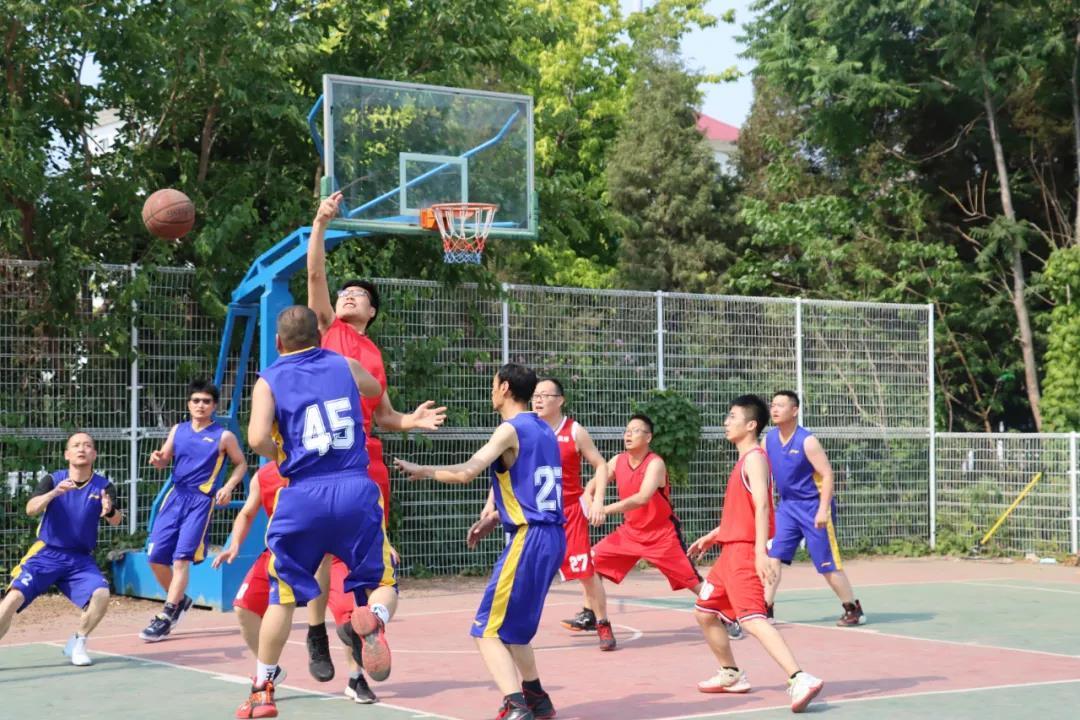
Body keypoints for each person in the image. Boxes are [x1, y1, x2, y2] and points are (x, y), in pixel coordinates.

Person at [304, 190, 446, 682]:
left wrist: (411, 420)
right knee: (320, 549)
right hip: (322, 452)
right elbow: (315, 277)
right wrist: (320, 223)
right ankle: (316, 631)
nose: (347, 295)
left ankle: (360, 635)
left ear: (372, 312)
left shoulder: (373, 355)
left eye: (358, 295)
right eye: (344, 291)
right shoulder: (328, 330)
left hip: (366, 459)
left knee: (367, 559)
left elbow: (384, 415)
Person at [236, 305, 397, 719]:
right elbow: (373, 389)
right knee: (382, 581)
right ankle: (375, 618)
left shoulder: (269, 379)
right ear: (318, 338)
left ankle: (262, 689)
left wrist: (283, 454)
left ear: (278, 342)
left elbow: (255, 438)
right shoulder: (344, 363)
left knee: (282, 597)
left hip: (303, 494)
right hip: (355, 488)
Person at [395, 363, 564, 720]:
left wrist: (424, 470)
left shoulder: (510, 429)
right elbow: (532, 487)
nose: (491, 391)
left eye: (493, 385)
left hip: (529, 538)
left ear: (504, 388)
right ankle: (537, 698)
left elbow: (468, 472)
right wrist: (498, 515)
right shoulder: (545, 430)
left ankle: (516, 706)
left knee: (486, 629)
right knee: (515, 629)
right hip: (551, 536)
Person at [688, 395, 823, 713]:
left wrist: (761, 552)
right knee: (705, 612)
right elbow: (744, 512)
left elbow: (763, 506)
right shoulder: (744, 460)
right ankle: (730, 673)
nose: (726, 422)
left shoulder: (754, 458)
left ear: (750, 425)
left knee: (752, 619)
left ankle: (799, 677)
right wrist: (713, 535)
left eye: (732, 416)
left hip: (745, 553)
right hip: (729, 553)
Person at [214, 461, 377, 704]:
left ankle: (356, 678)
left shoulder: (323, 464)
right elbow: (247, 513)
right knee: (244, 607)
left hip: (331, 552)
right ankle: (269, 670)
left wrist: (380, 542)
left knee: (348, 615)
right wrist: (235, 543)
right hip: (283, 552)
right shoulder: (264, 476)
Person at [583, 414, 716, 651]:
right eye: (627, 430)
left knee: (693, 583)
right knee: (589, 563)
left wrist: (604, 509)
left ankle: (726, 615)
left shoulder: (655, 464)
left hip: (661, 535)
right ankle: (598, 620)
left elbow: (642, 498)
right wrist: (590, 496)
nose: (628, 434)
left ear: (648, 437)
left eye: (635, 430)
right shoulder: (618, 460)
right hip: (630, 533)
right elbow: (596, 480)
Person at [0, 432, 123, 666]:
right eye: (76, 445)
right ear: (67, 454)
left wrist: (109, 510)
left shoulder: (104, 486)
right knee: (12, 599)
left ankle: (78, 642)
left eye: (87, 445)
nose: (82, 449)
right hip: (46, 554)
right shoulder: (53, 479)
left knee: (101, 594)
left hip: (80, 559)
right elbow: (30, 509)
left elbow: (117, 520)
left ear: (94, 454)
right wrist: (54, 493)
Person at [140, 379, 247, 642]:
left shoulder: (224, 436)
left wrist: (228, 486)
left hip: (200, 502)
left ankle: (166, 615)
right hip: (174, 497)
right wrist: (157, 459)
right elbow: (163, 460)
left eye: (206, 401)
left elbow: (241, 464)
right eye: (196, 400)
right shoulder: (178, 430)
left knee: (181, 560)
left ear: (214, 406)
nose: (201, 405)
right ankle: (180, 601)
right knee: (155, 557)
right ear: (188, 404)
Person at [764, 391, 865, 626]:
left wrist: (822, 510)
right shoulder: (769, 440)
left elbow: (827, 475)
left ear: (795, 410)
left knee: (826, 564)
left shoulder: (807, 441)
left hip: (814, 506)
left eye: (781, 405)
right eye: (773, 405)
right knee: (773, 556)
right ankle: (765, 609)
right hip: (787, 507)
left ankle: (852, 609)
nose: (775, 409)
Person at [526, 378, 611, 647]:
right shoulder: (526, 429)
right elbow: (507, 468)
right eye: (535, 395)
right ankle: (517, 625)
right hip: (538, 513)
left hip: (570, 511)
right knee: (528, 570)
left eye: (545, 395)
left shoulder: (574, 431)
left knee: (584, 572)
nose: (538, 400)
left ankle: (602, 623)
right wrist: (492, 503)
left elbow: (601, 465)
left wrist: (598, 501)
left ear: (560, 400)